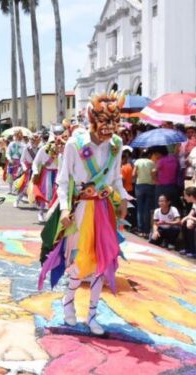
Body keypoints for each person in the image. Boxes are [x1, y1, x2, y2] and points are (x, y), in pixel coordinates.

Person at [39, 92, 130, 335]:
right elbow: (62, 180)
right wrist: (66, 209)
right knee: (79, 262)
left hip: (104, 209)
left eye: (114, 121)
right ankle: (68, 305)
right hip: (80, 211)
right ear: (92, 118)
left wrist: (124, 199)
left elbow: (116, 178)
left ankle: (92, 315)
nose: (109, 127)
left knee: (103, 262)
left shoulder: (116, 145)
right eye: (104, 120)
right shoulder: (74, 144)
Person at [31, 134, 65, 223]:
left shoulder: (61, 151)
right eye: (52, 142)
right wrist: (35, 172)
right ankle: (41, 213)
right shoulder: (43, 149)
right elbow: (35, 162)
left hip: (58, 173)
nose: (55, 145)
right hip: (46, 174)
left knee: (57, 194)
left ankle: (53, 215)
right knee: (44, 193)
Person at [13, 135, 40, 208]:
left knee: (35, 185)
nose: (34, 142)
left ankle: (34, 202)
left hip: (35, 169)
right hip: (27, 169)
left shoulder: (39, 149)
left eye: (36, 141)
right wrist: (24, 167)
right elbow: (22, 160)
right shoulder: (26, 148)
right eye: (33, 140)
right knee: (24, 185)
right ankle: (17, 200)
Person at [152, 146, 180, 211]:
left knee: (160, 207)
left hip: (162, 187)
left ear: (159, 153)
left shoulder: (160, 161)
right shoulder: (174, 159)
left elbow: (153, 171)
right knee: (173, 207)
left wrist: (156, 181)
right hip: (173, 186)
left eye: (155, 154)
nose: (155, 156)